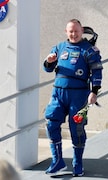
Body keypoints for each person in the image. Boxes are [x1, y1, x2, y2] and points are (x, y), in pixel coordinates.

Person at [43, 19, 103, 176]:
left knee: (76, 128)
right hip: (58, 93)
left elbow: (97, 71)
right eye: (70, 31)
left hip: (79, 94)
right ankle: (57, 161)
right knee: (51, 123)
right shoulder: (59, 47)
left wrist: (94, 91)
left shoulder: (89, 50)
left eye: (76, 31)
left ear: (82, 31)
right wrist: (48, 62)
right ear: (66, 32)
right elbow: (47, 68)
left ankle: (77, 163)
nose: (73, 34)